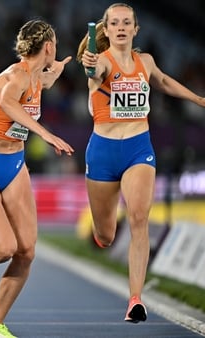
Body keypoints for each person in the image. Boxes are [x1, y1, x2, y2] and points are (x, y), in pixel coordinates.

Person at [77, 3, 205, 323]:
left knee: (138, 219)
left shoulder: (145, 61)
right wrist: (90, 66)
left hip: (138, 149)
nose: (121, 27)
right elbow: (95, 73)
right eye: (115, 23)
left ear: (136, 29)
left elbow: (162, 81)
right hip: (103, 153)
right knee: (106, 235)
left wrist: (199, 100)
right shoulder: (101, 62)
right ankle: (103, 231)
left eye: (127, 23)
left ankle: (135, 299)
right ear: (105, 30)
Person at [0, 19, 73, 338]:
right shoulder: (15, 75)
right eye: (56, 45)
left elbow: (44, 82)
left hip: (14, 165)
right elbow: (8, 101)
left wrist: (57, 70)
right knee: (4, 246)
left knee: (26, 251)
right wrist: (46, 134)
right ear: (47, 46)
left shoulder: (36, 75)